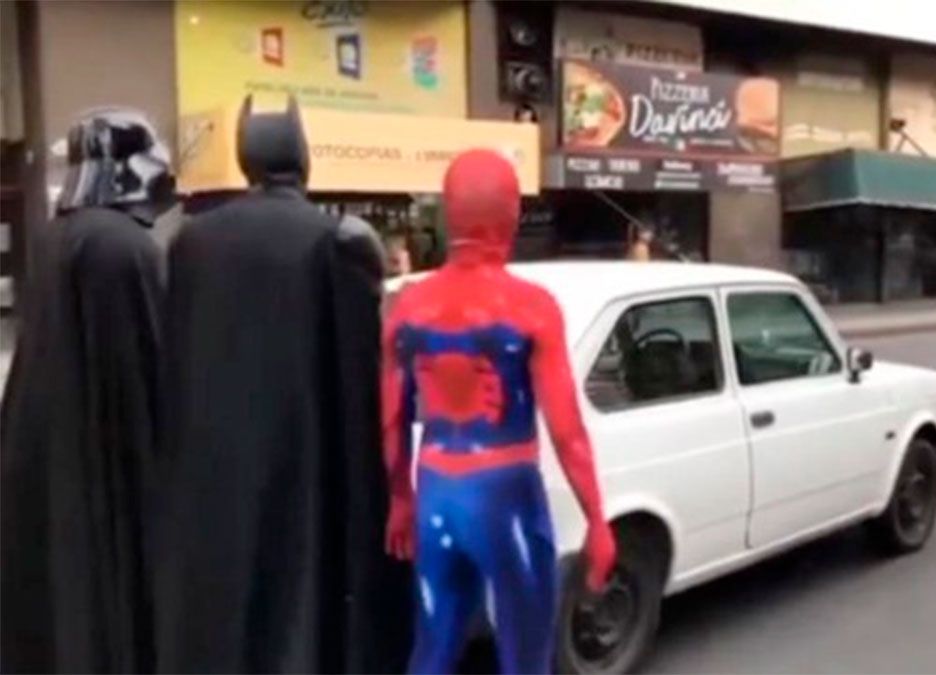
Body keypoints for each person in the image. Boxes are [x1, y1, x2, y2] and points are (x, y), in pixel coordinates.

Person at [153, 96, 408, 673]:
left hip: (214, 470)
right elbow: (360, 378)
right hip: (305, 463)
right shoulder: (339, 239)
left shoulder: (191, 243)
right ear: (302, 155)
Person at [381, 149, 617, 674]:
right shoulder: (531, 307)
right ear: (511, 215)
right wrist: (597, 519)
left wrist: (401, 499)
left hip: (436, 491)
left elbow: (392, 416)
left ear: (449, 214)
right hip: (506, 496)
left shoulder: (408, 308)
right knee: (525, 657)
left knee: (432, 652)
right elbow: (567, 431)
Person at [0, 108, 174, 673]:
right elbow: (148, 365)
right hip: (112, 468)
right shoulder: (125, 247)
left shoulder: (58, 240)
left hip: (51, 459)